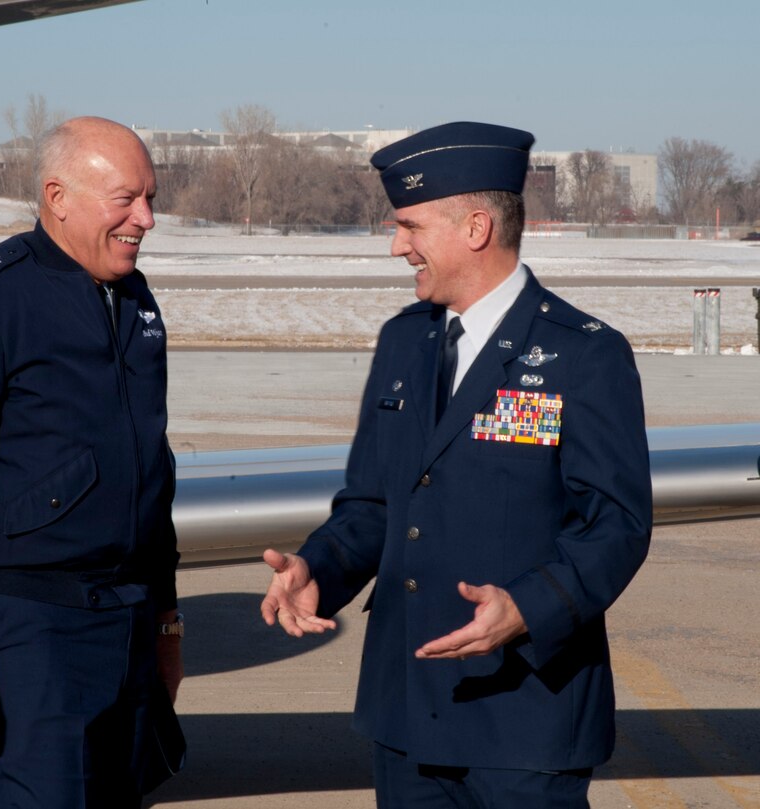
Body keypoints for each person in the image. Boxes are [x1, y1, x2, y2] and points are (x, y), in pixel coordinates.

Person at [261, 121, 652, 807]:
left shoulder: (584, 353)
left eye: (410, 226)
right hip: (408, 719)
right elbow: (372, 503)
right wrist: (317, 571)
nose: (396, 245)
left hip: (526, 720)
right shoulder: (402, 341)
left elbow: (616, 524)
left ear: (475, 228)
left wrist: (527, 608)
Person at [0, 116, 183, 808]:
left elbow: (152, 473)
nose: (145, 218)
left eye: (149, 197)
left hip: (131, 626)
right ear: (58, 196)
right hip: (35, 632)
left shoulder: (133, 300)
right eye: (126, 199)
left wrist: (167, 622)